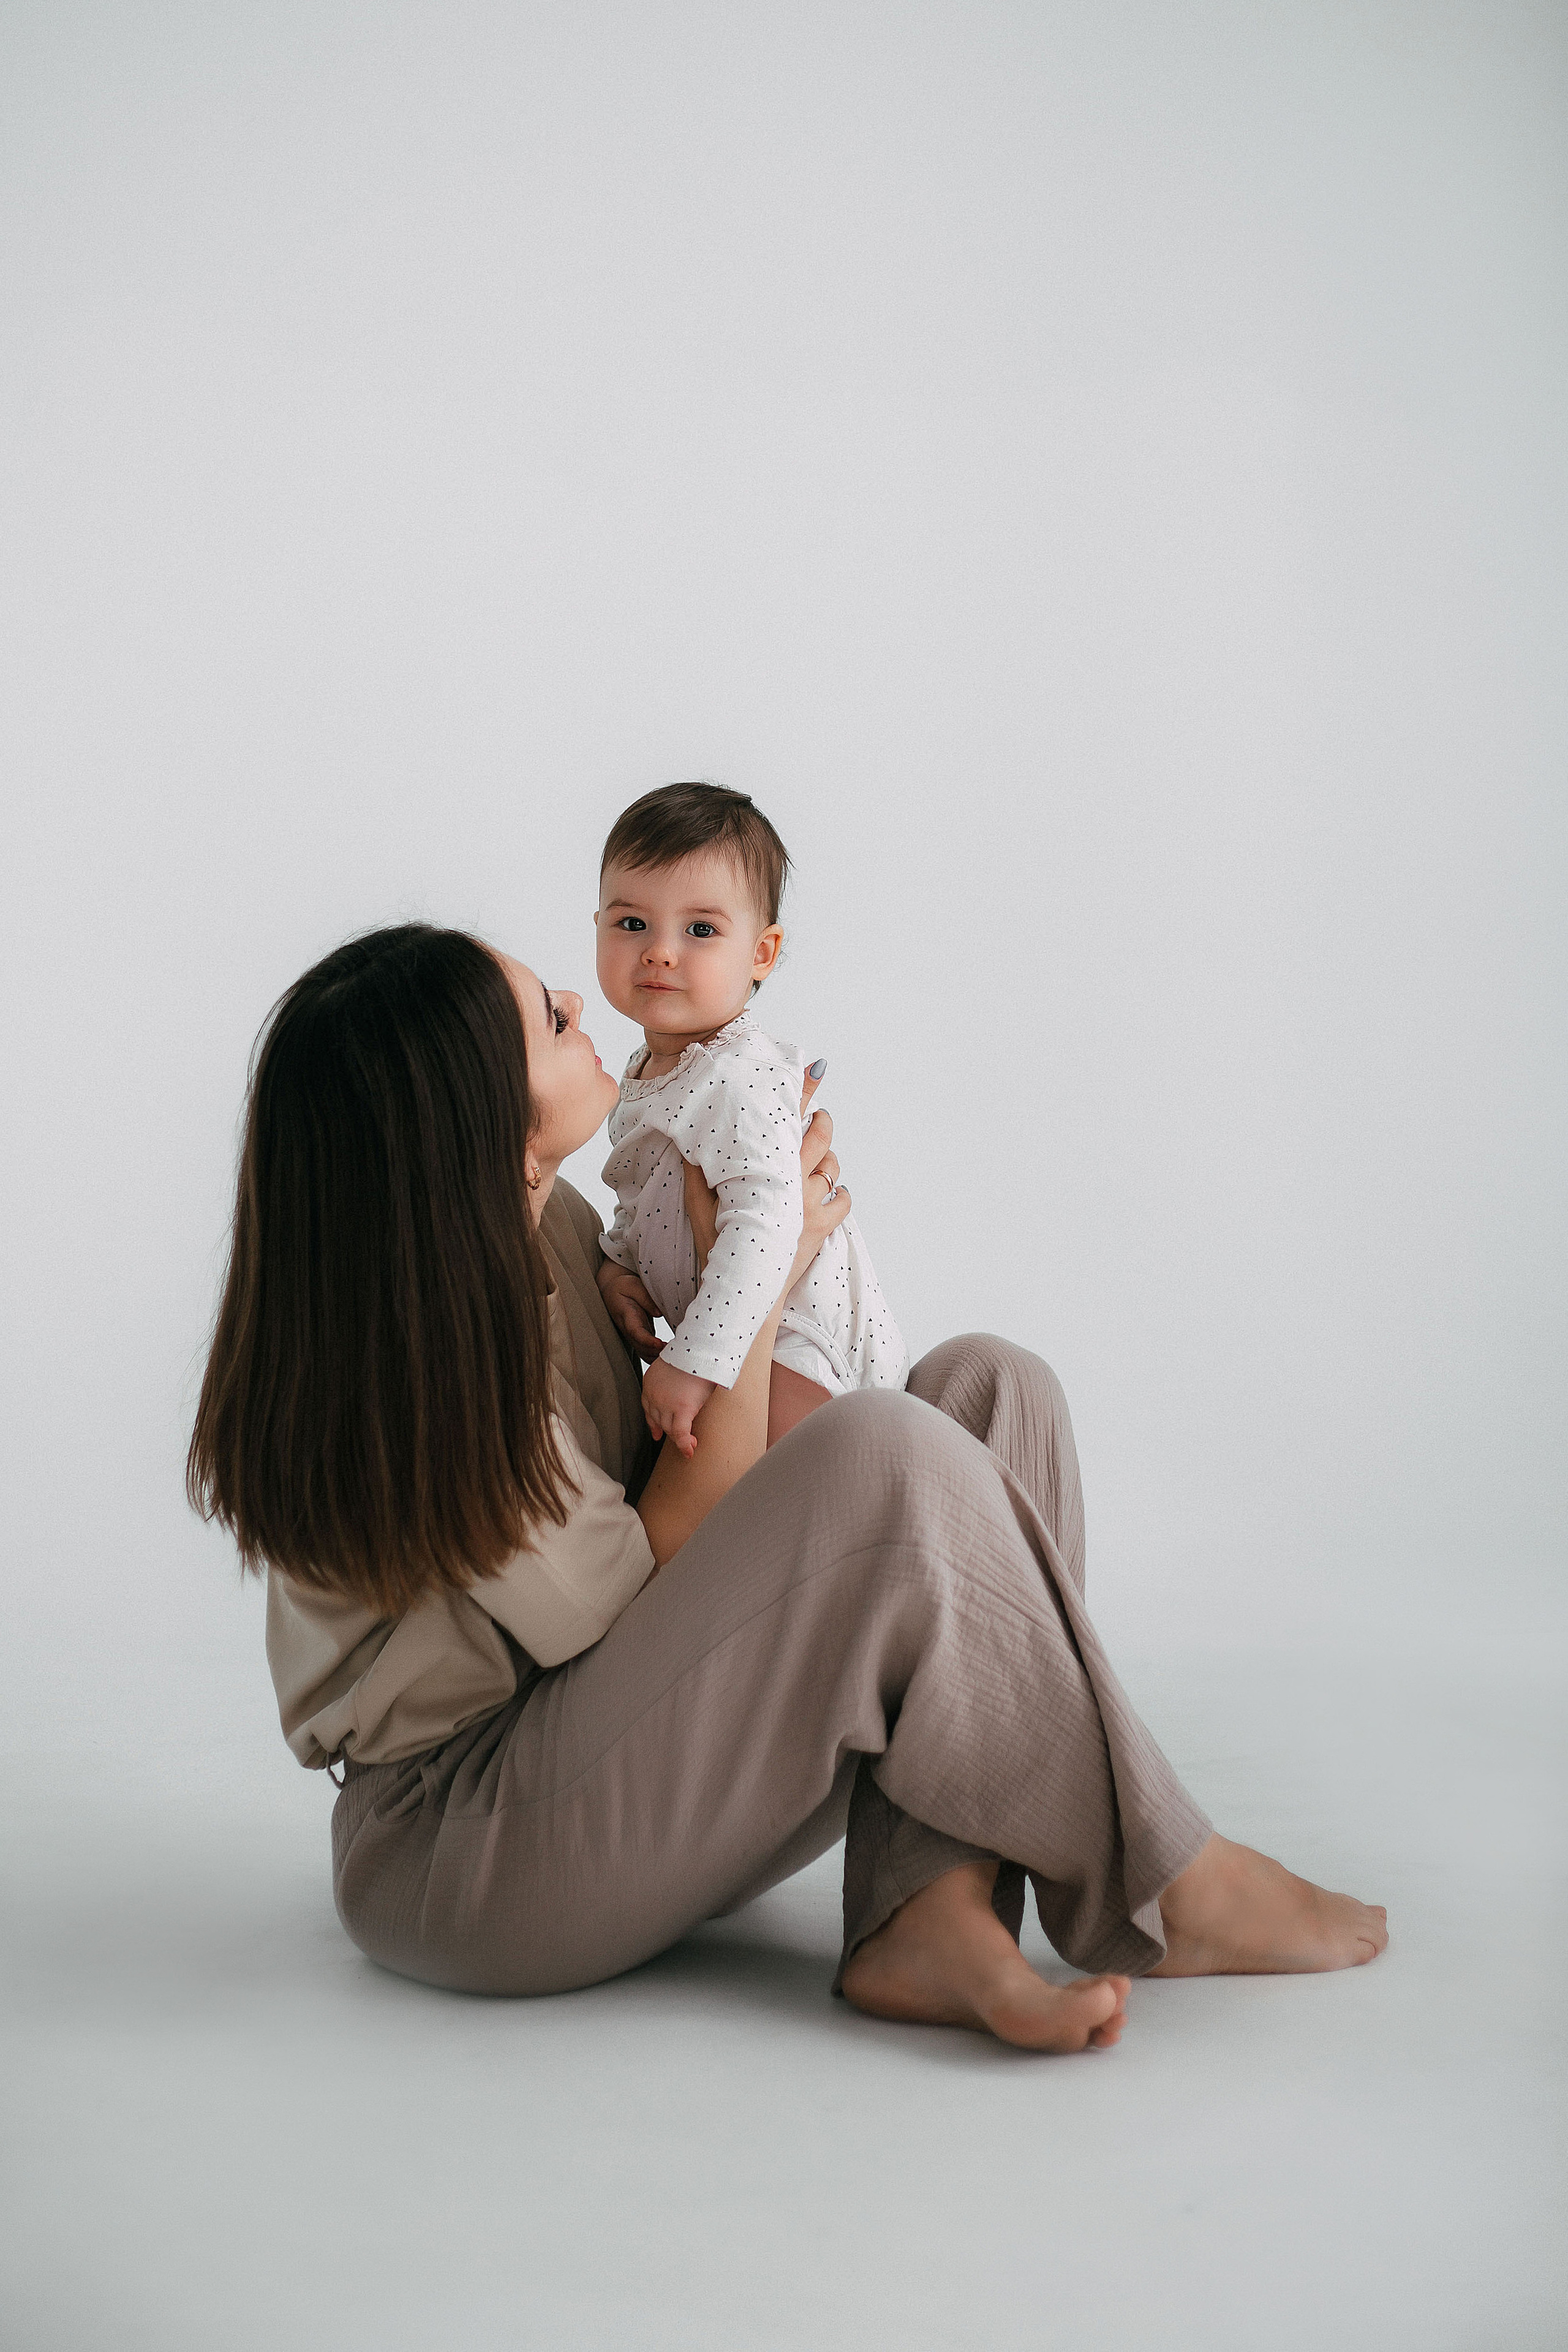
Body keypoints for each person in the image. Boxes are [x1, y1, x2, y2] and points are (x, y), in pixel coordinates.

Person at [188, 922, 1387, 2054]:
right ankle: (1165, 1879)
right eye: (550, 1021)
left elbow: (681, 1450)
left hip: (589, 1733)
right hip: (467, 1841)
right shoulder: (424, 1367)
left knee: (988, 1393)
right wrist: (753, 1284)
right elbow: (652, 1580)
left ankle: (927, 1908)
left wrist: (743, 1258)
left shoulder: (538, 1223)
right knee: (883, 1460)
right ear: (478, 1132)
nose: (581, 1006)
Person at [595, 781, 907, 1458]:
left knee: (782, 1496)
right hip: (746, 1336)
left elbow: (768, 1224)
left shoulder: (740, 1075)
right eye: (631, 924)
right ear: (597, 926)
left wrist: (691, 1362)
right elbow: (645, 1189)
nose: (660, 951)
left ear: (761, 954)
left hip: (801, 1342)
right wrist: (622, 1265)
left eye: (699, 930)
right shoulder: (650, 1067)